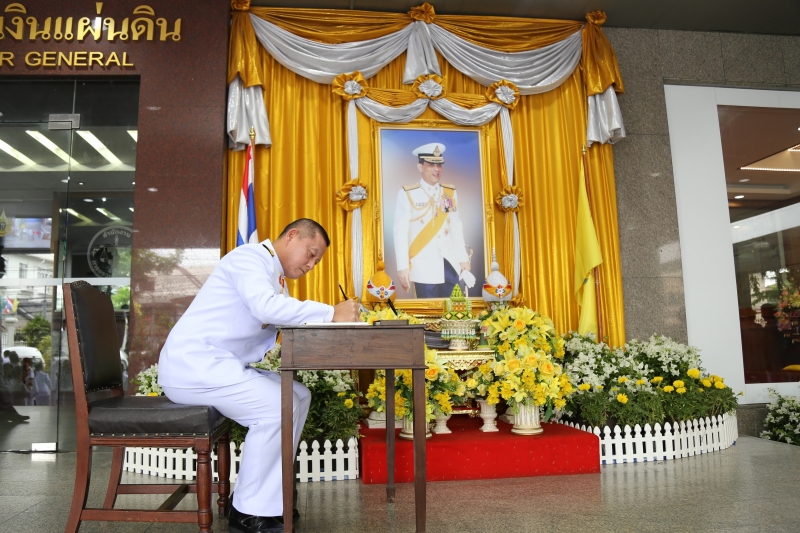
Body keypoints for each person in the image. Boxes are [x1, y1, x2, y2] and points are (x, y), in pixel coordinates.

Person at [158, 218, 359, 533]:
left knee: (299, 395)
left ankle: (270, 499)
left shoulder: (275, 277)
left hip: (219, 366)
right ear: (292, 236)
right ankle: (249, 512)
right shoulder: (249, 257)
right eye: (311, 253)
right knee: (274, 406)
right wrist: (331, 312)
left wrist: (331, 319)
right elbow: (267, 308)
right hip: (194, 365)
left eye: (317, 260)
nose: (311, 264)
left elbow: (280, 313)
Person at [393, 142, 474, 298]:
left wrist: (463, 259)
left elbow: (456, 227)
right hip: (423, 265)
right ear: (420, 166)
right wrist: (403, 266)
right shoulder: (408, 193)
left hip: (450, 262)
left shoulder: (449, 192)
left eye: (439, 165)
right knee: (428, 315)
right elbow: (400, 232)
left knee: (456, 311)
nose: (437, 169)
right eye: (431, 164)